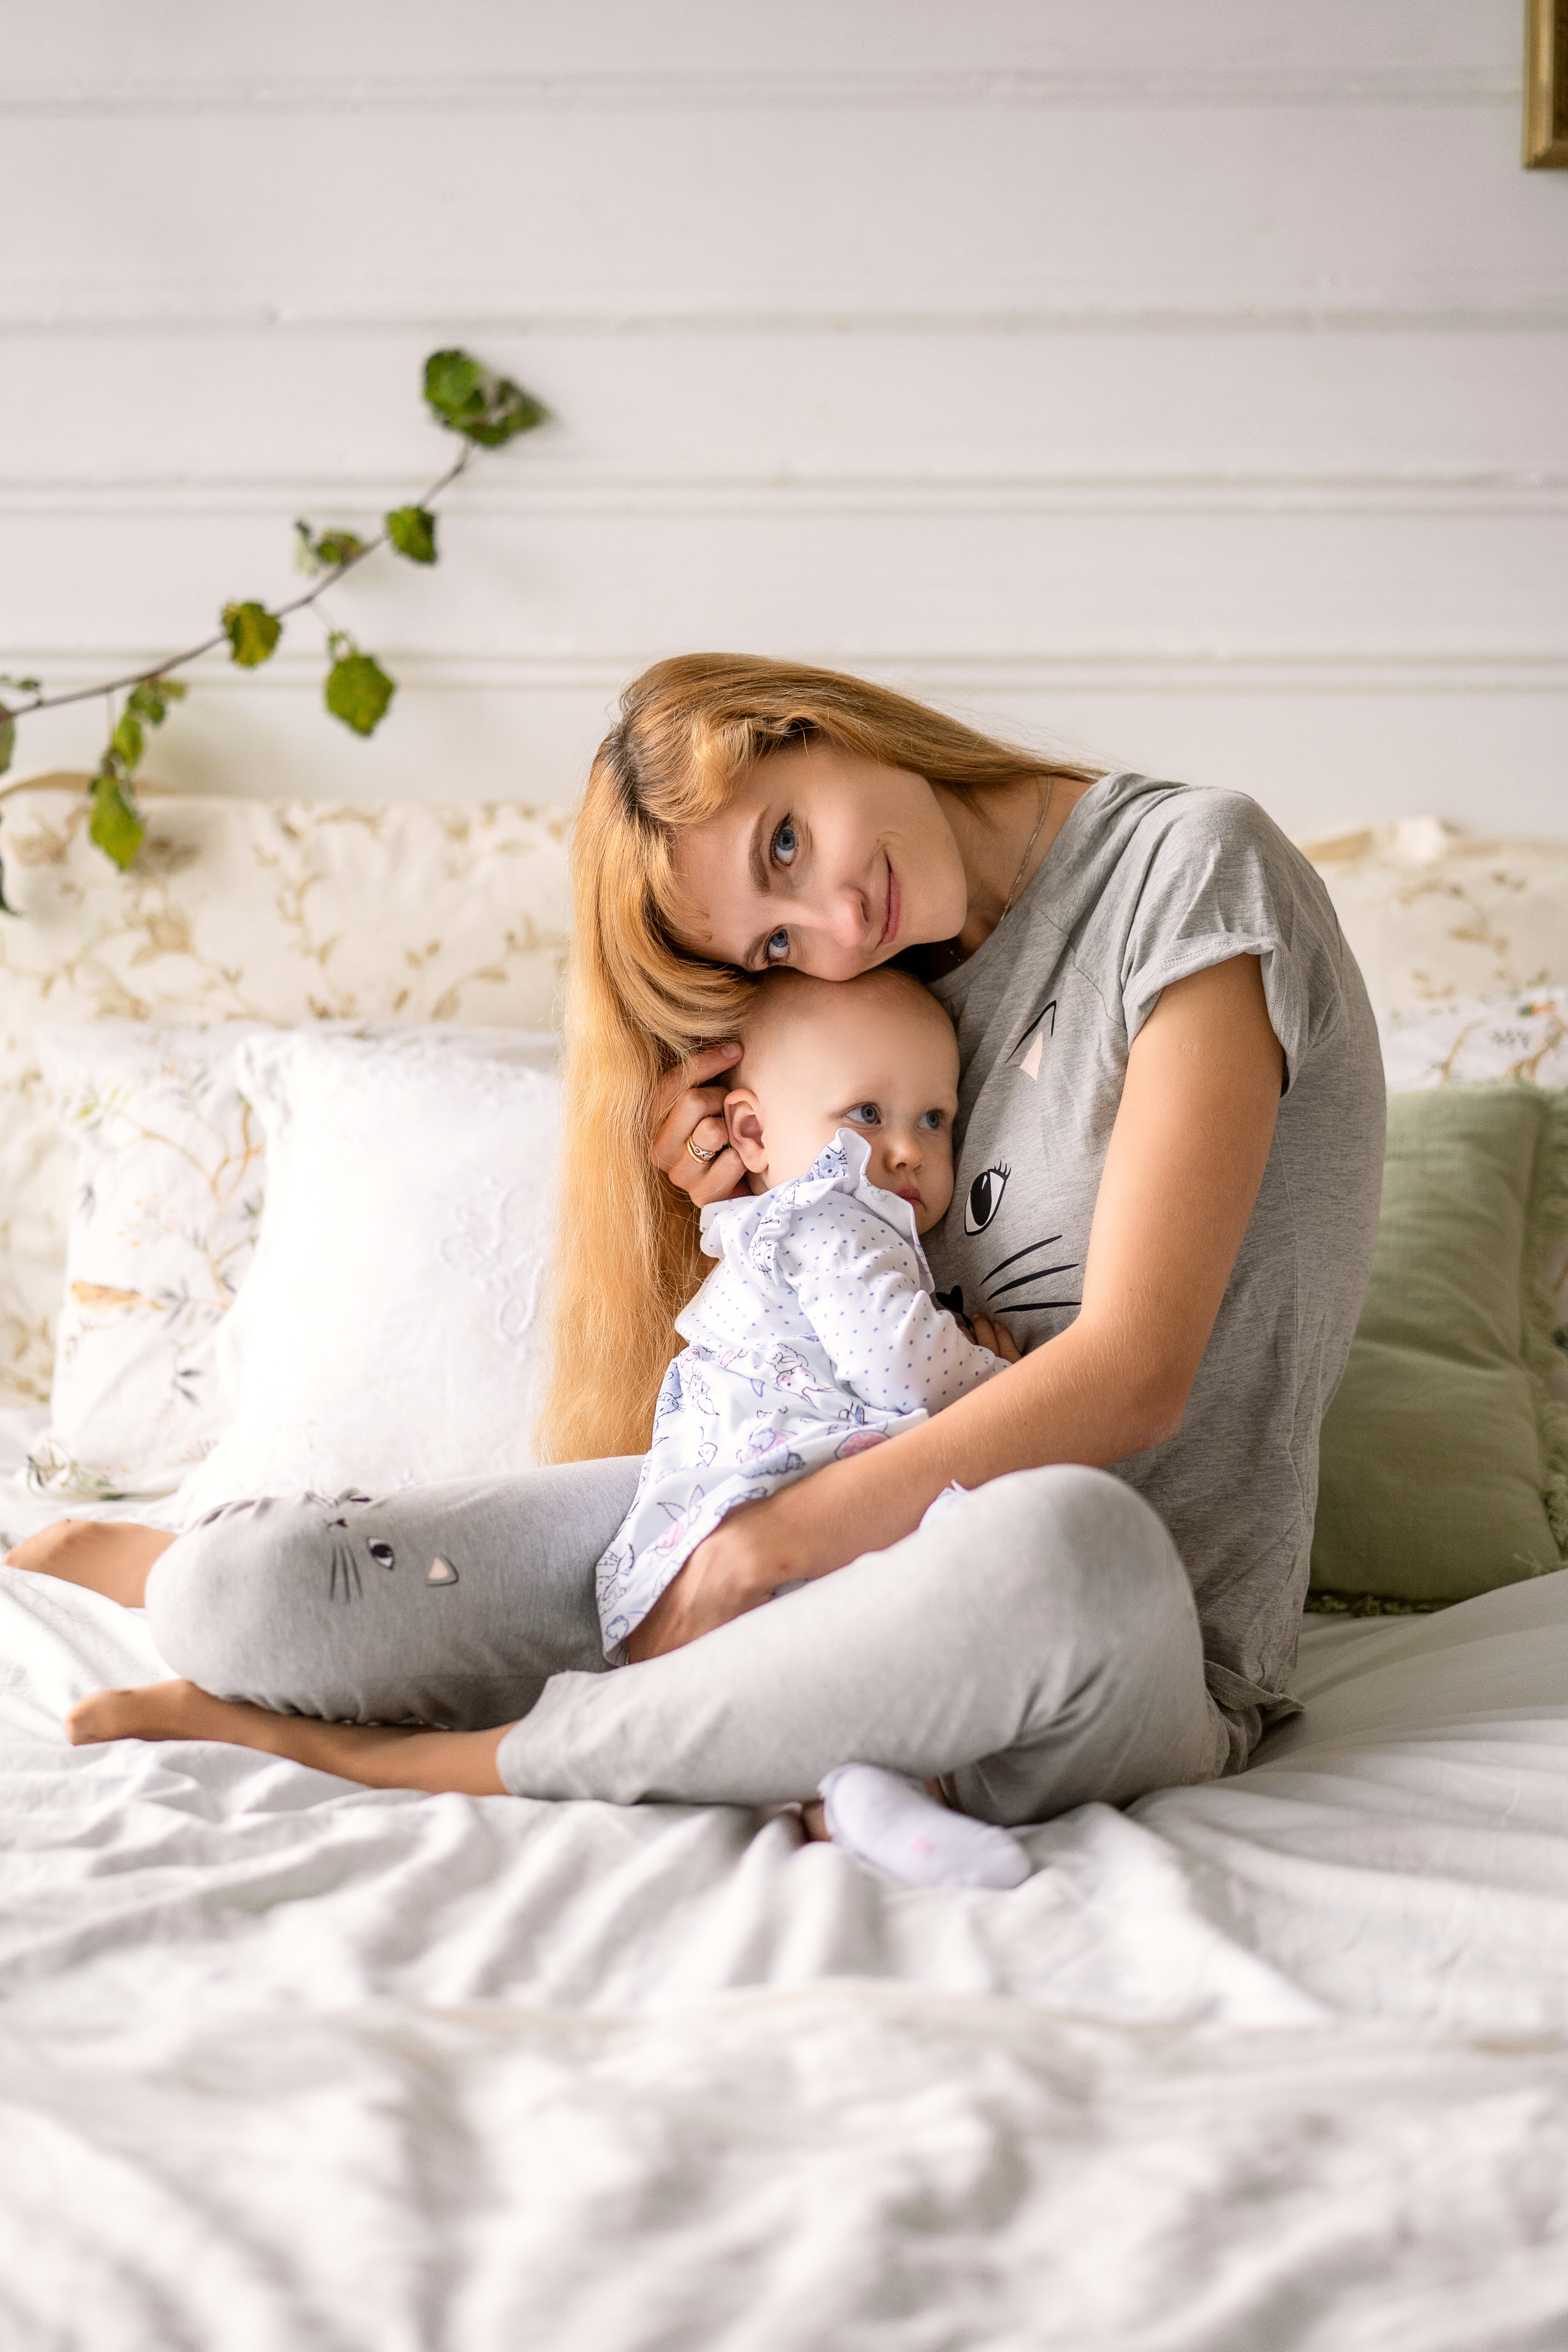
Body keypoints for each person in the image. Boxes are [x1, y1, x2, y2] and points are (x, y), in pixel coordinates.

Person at [21, 653, 1384, 1879]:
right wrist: (724, 1205)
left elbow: (1134, 1379)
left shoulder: (1193, 871)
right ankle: (183, 1571)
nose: (838, 923)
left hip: (1101, 1615)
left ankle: (414, 1760)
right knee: (241, 1596)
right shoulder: (883, 978)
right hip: (799, 1523)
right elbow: (794, 1370)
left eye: (787, 842)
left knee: (1060, 1540)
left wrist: (762, 1555)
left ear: (818, 724)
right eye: (776, 941)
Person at [595, 962, 1015, 1660]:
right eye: (866, 1114)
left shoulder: (779, 1230)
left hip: (748, 1519)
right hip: (787, 1503)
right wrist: (1001, 1377)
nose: (909, 1149)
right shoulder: (828, 1217)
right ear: (752, 1132)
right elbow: (902, 1366)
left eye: (933, 1118)